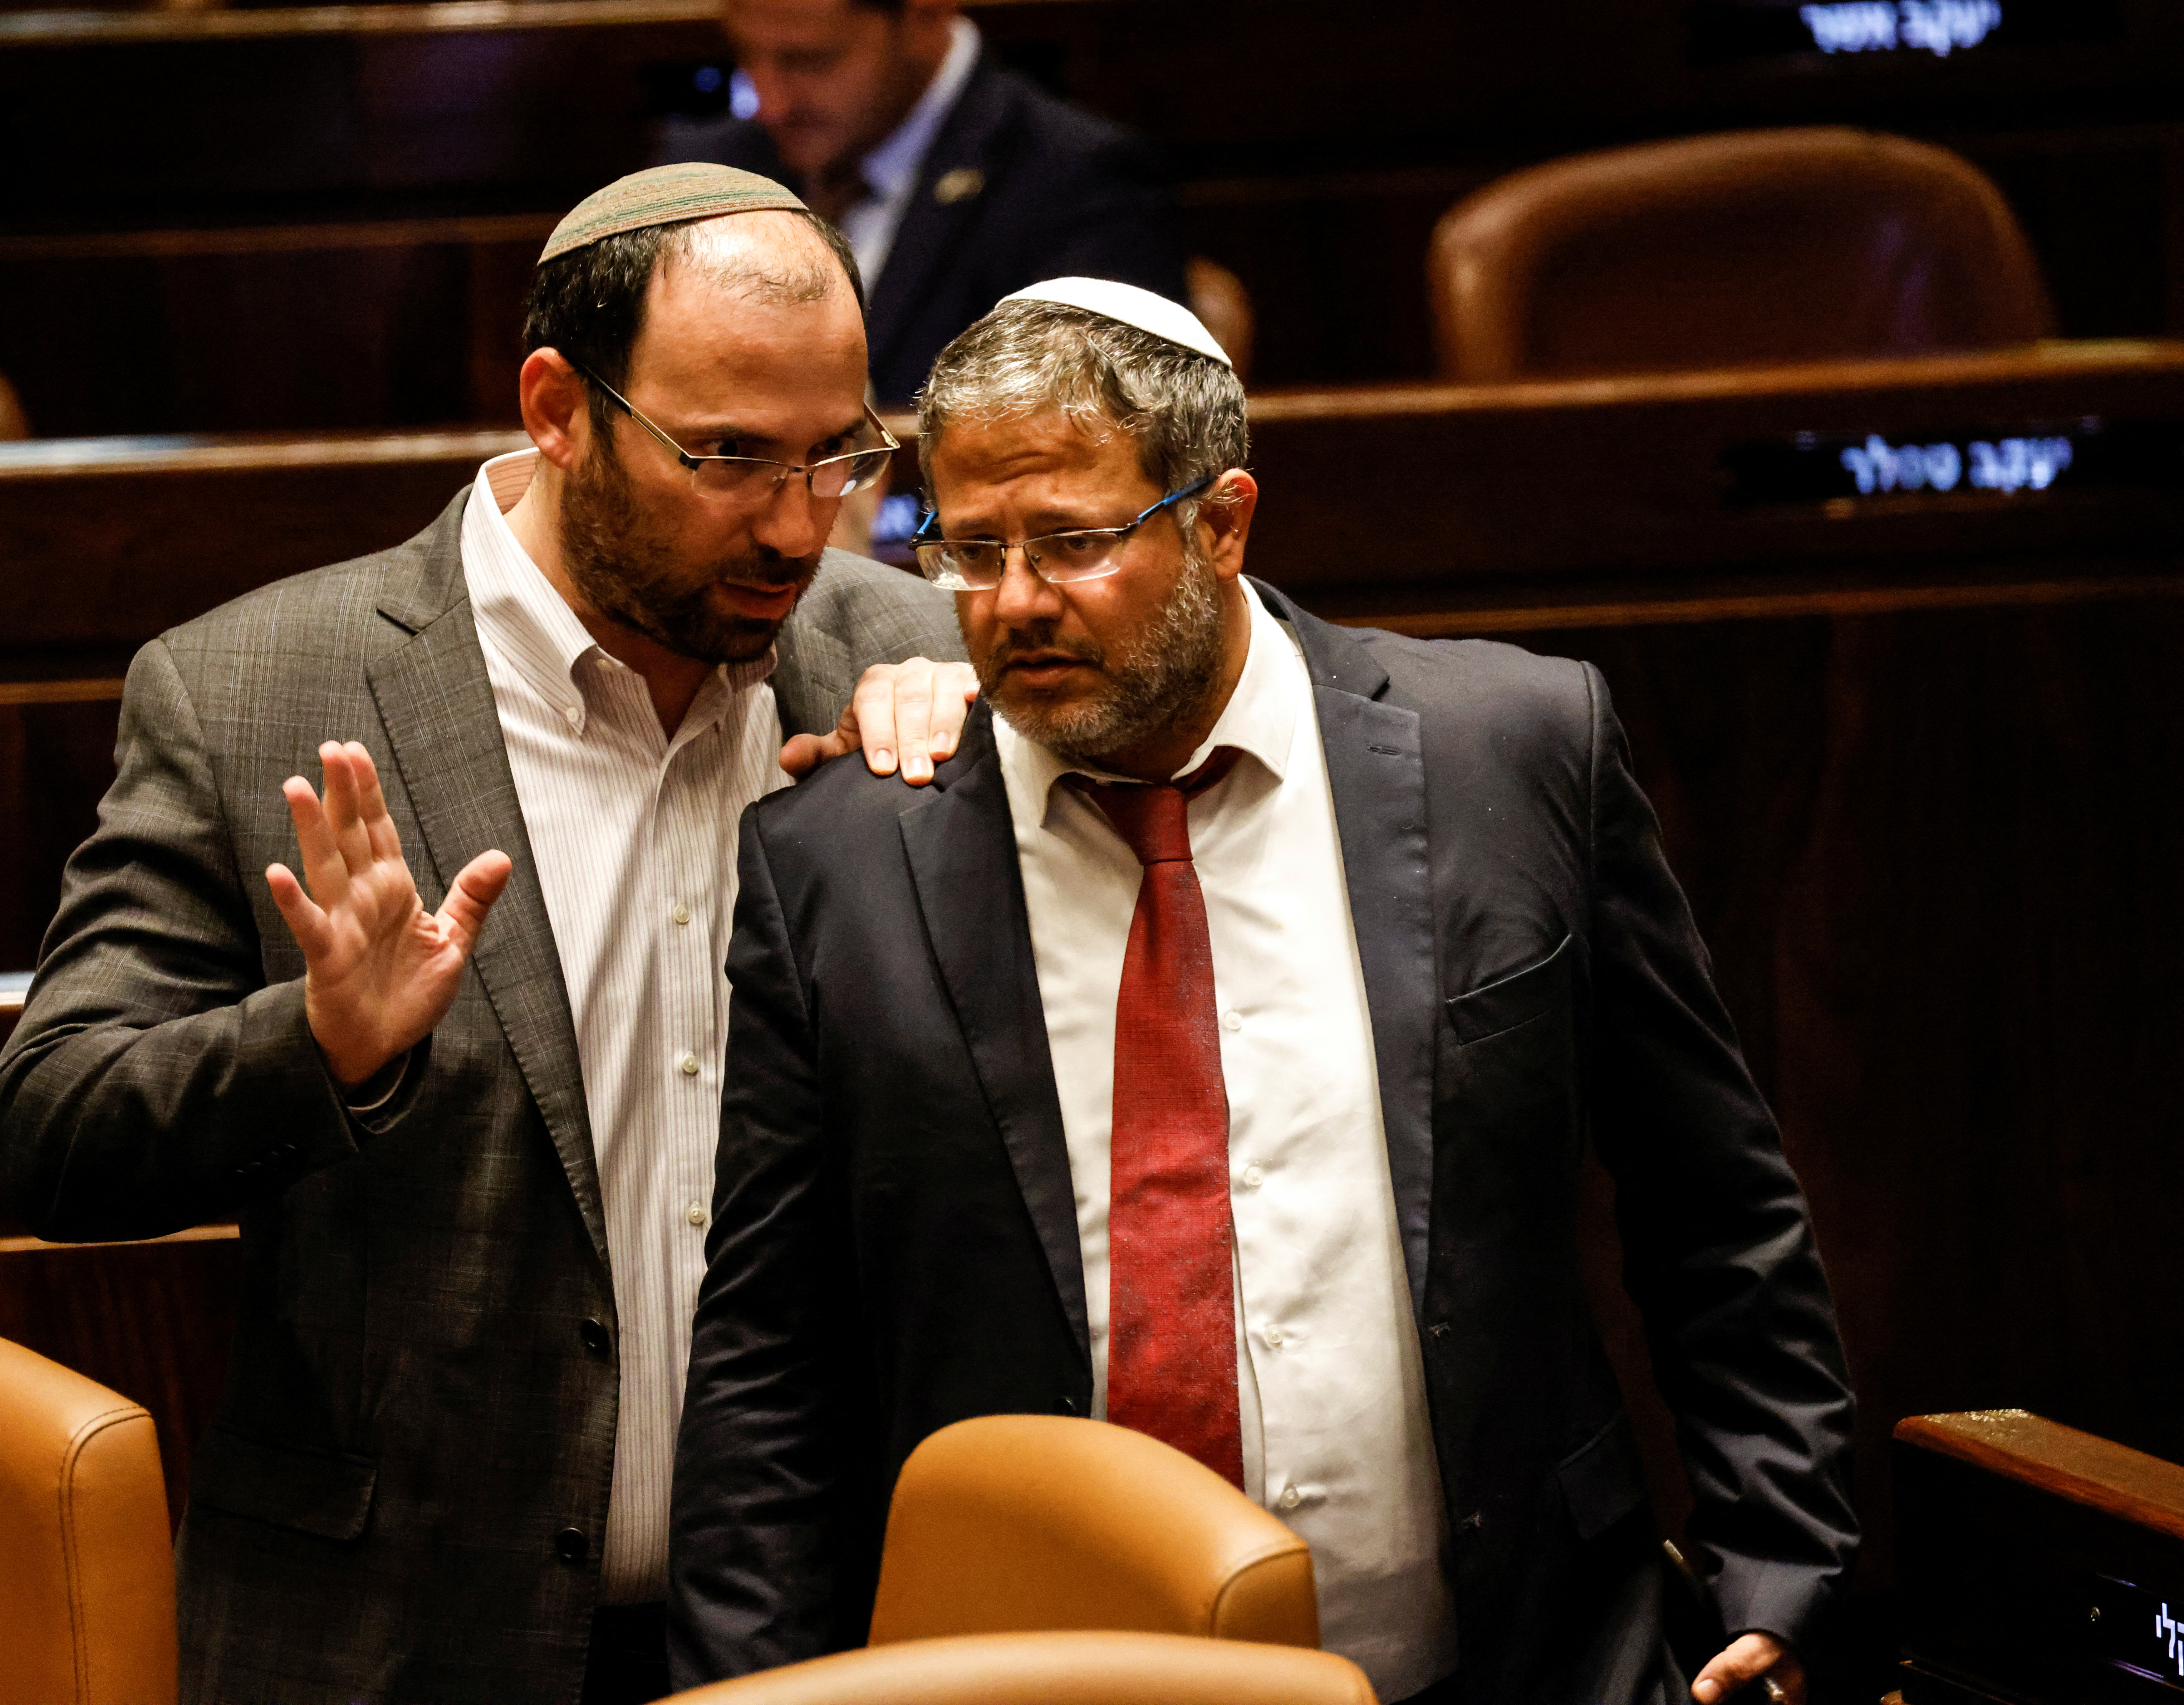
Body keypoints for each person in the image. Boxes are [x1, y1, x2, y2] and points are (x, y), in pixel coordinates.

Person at [670, 279, 1861, 1705]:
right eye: (970, 551)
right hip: (1054, 1678)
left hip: (1523, 1657)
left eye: (1073, 540)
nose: (1016, 603)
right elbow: (768, 1367)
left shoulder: (1515, 754)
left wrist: (1781, 1563)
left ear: (1223, 521)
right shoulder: (839, 864)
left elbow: (1712, 1204)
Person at [0, 165, 976, 1705]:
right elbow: (52, 1132)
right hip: (403, 1641)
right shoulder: (254, 688)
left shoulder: (909, 661)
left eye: (835, 456)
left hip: (827, 1636)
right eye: (726, 456)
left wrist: (994, 821)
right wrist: (317, 1047)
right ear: (558, 406)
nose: (796, 526)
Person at [660, 0, 1184, 407]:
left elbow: (1096, 440)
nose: (769, 103)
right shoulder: (709, 170)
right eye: (748, 56)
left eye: (809, 61)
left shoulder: (1078, 182)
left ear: (925, 14)